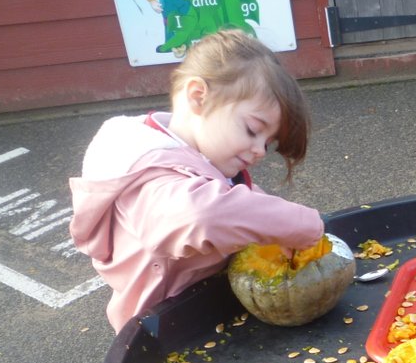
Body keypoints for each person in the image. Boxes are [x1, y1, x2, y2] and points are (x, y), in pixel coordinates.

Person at [70, 28, 325, 333]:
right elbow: (200, 215)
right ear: (198, 97)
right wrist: (298, 224)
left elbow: (239, 200)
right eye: (252, 129)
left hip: (207, 316)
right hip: (161, 333)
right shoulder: (149, 176)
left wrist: (274, 231)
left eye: (268, 142)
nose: (259, 150)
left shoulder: (205, 159)